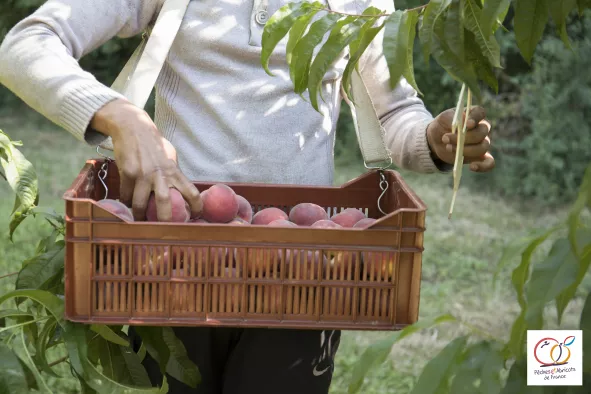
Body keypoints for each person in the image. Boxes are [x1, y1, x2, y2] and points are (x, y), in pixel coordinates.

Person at [0, 0, 495, 393]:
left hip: (302, 274)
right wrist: (120, 115)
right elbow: (25, 45)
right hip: (174, 264)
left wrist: (433, 138)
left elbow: (393, 115)